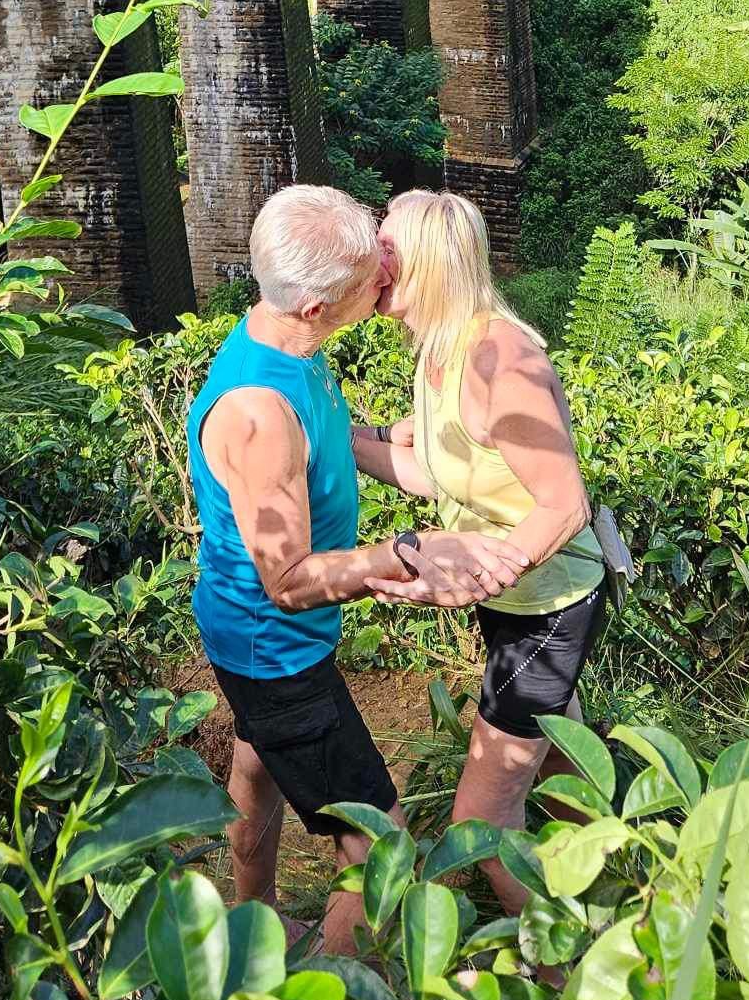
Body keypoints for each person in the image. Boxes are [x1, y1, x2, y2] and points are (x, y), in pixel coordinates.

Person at [188, 185, 527, 953]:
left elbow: (313, 448)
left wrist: (384, 438)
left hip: (253, 643)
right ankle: (327, 993)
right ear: (316, 305)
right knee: (380, 844)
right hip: (277, 654)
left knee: (259, 765)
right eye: (369, 275)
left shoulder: (285, 343)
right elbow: (288, 581)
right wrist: (403, 554)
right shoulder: (258, 411)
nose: (385, 276)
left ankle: (253, 921)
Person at [354, 190, 608, 917]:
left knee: (482, 823)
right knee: (560, 762)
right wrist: (332, 435)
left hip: (549, 606)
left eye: (386, 249)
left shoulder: (503, 360)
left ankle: (565, 963)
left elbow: (564, 503)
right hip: (513, 604)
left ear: (430, 264)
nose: (370, 262)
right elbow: (431, 472)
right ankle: (614, 887)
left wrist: (478, 576)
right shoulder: (439, 349)